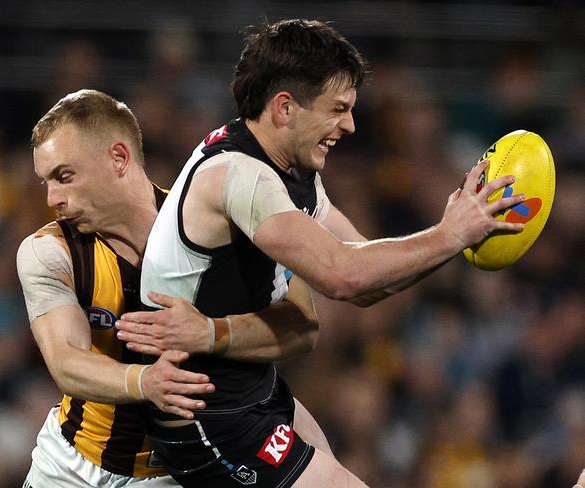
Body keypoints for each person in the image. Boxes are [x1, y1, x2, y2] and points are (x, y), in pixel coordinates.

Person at [138, 19, 526, 488]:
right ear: (285, 108)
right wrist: (449, 235)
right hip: (204, 414)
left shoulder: (288, 167)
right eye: (337, 109)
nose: (350, 125)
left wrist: (453, 234)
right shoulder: (239, 176)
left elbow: (363, 266)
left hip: (251, 393)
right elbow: (341, 276)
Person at [17, 89, 331, 487]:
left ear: (118, 158)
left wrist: (213, 334)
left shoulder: (218, 228)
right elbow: (66, 361)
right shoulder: (48, 253)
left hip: (182, 470)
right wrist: (144, 382)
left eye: (64, 177)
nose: (52, 199)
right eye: (46, 182)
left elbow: (303, 326)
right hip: (69, 468)